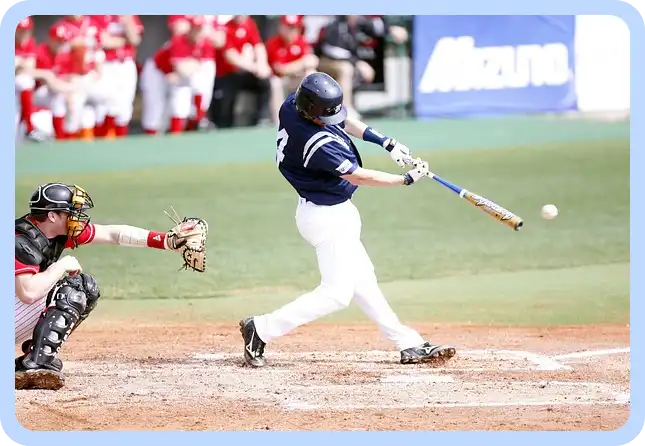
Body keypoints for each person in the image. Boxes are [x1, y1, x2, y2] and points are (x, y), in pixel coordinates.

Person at [239, 72, 457, 368]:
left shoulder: (294, 105)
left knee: (363, 279)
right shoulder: (316, 143)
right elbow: (358, 176)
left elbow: (342, 120)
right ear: (311, 112)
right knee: (337, 294)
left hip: (331, 211)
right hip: (326, 217)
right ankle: (261, 328)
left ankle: (409, 343)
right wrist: (405, 179)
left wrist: (385, 142)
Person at [15, 183, 197, 390]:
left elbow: (113, 234)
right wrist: (61, 265)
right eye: (70, 213)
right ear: (52, 216)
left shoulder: (54, 233)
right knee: (72, 291)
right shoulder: (20, 241)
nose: (76, 218)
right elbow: (28, 293)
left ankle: (34, 357)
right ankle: (34, 366)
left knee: (85, 288)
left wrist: (166, 241)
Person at [140, 16, 212, 134]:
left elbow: (198, 69)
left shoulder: (205, 43)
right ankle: (150, 138)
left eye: (200, 29)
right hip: (157, 71)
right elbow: (182, 69)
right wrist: (192, 65)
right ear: (190, 29)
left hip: (174, 75)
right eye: (195, 29)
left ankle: (196, 121)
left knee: (181, 101)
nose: (197, 32)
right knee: (155, 108)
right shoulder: (180, 41)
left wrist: (191, 66)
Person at [209, 15, 273, 128]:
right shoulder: (226, 27)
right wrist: (254, 68)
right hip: (226, 75)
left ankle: (262, 118)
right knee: (224, 109)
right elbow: (230, 56)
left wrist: (262, 64)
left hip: (245, 72)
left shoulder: (249, 23)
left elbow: (258, 45)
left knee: (264, 82)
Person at [265, 15, 319, 124]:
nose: (292, 31)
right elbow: (280, 69)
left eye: (295, 27)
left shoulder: (301, 41)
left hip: (296, 79)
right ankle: (278, 120)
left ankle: (313, 115)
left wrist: (301, 65)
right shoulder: (273, 43)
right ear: (281, 27)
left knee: (311, 74)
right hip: (281, 80)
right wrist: (302, 63)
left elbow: (312, 61)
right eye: (289, 27)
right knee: (275, 82)